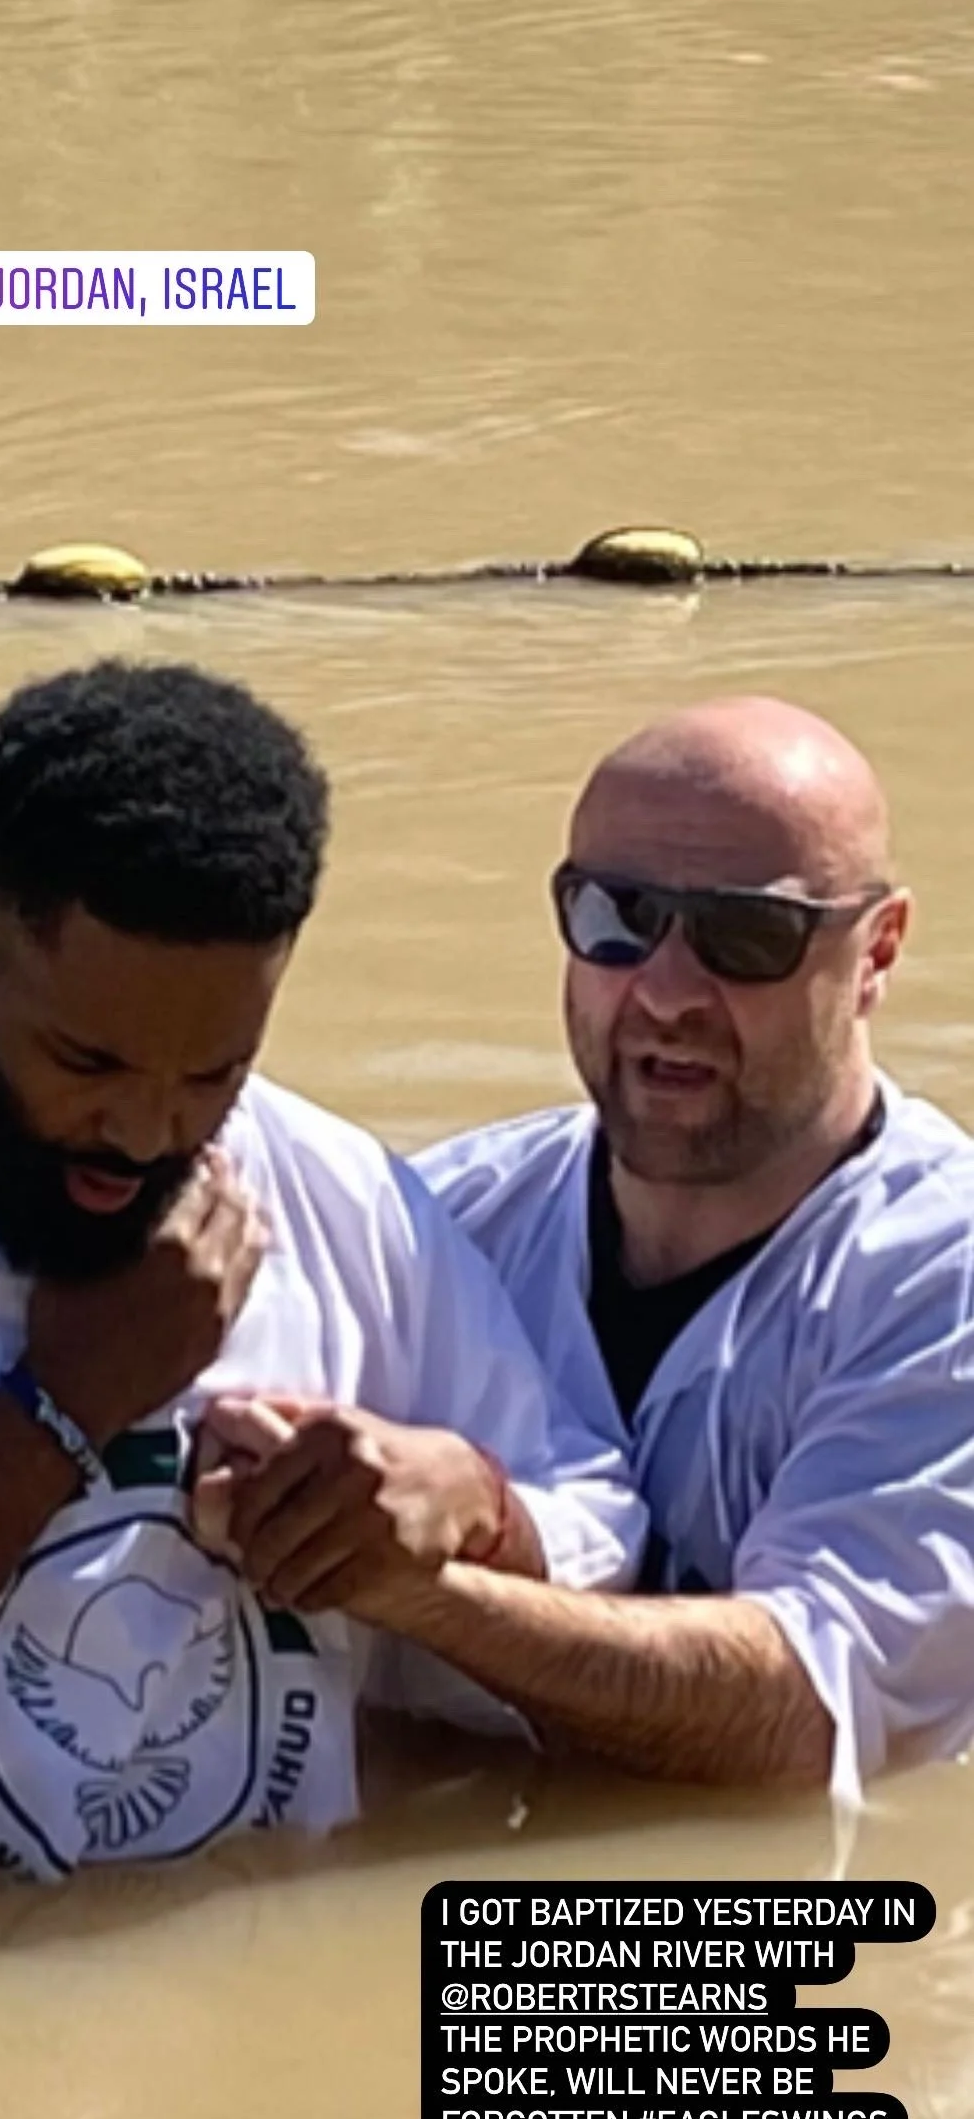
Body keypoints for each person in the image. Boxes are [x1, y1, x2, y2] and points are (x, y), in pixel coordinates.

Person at [0, 659, 639, 1876]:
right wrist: (66, 1401)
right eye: (86, 1062)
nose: (145, 1134)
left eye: (213, 1073)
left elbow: (602, 1527)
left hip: (264, 1962)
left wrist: (475, 1507)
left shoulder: (333, 1190)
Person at [214, 696, 974, 1805]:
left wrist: (419, 1589)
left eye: (746, 937)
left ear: (879, 951)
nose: (666, 993)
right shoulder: (434, 1222)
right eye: (618, 917)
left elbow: (803, 1727)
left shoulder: (940, 1278)